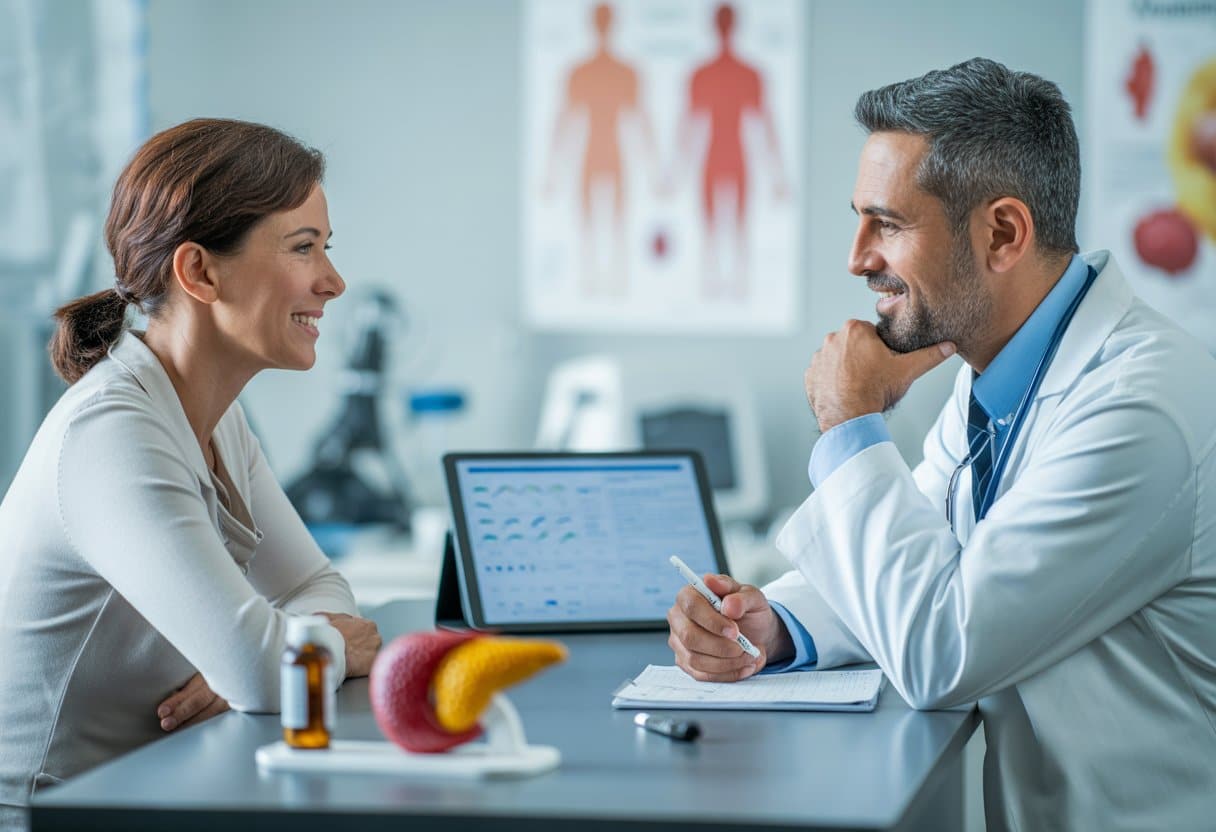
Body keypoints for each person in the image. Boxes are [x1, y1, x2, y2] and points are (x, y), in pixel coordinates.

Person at [666, 58, 1216, 830]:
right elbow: (924, 564)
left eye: (886, 223)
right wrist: (777, 626)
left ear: (1002, 234)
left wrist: (852, 422)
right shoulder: (995, 374)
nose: (857, 258)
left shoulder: (1143, 409)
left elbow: (941, 648)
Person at [0, 118, 382, 829]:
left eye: (325, 249)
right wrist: (271, 659)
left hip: (141, 789)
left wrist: (266, 657)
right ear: (200, 272)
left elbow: (314, 591)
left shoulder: (215, 417)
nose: (333, 282)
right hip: (48, 814)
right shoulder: (113, 431)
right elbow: (264, 672)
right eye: (304, 249)